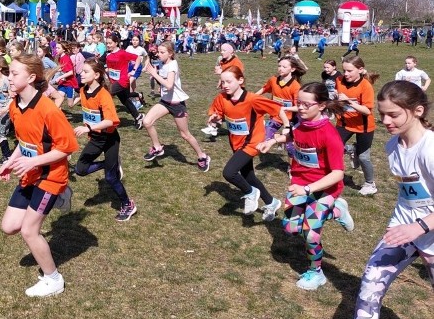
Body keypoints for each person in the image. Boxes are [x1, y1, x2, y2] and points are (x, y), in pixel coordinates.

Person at [316, 81, 434, 319]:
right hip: (404, 230)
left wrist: (419, 226)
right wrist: (404, 225)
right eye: (382, 114)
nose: (385, 121)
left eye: (393, 114)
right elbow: (409, 193)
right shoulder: (392, 146)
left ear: (417, 111)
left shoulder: (430, 150)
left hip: (426, 232)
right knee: (370, 283)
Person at [0, 54, 79, 297]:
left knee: (29, 231)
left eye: (14, 74)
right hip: (30, 174)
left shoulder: (48, 110)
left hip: (51, 176)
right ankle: (62, 196)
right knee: (9, 226)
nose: (8, 78)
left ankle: (53, 279)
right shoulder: (15, 106)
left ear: (31, 77)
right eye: (9, 73)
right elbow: (24, 142)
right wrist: (10, 162)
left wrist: (32, 161)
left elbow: (67, 147)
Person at [267, 82, 354, 290]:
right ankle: (337, 211)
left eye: (307, 105)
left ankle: (317, 272)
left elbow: (338, 173)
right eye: (299, 103)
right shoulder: (299, 121)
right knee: (290, 228)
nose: (301, 108)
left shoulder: (330, 135)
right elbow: (293, 135)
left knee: (311, 233)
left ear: (322, 105)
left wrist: (308, 189)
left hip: (325, 188)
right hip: (299, 183)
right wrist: (272, 141)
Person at [207, 66, 289, 219]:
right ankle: (271, 203)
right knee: (248, 176)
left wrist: (287, 126)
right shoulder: (222, 97)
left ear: (240, 81)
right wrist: (215, 118)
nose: (225, 85)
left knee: (229, 172)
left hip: (253, 142)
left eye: (229, 81)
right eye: (222, 82)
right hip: (236, 143)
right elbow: (216, 113)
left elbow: (278, 110)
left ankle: (251, 193)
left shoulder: (252, 99)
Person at [73, 59, 136, 221]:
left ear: (96, 75)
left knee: (110, 177)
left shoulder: (104, 95)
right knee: (80, 169)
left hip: (109, 139)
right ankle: (109, 164)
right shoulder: (83, 90)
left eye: (86, 71)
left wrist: (88, 127)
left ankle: (128, 205)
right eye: (82, 71)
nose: (81, 74)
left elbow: (111, 120)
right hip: (95, 139)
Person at [141, 41, 211, 171]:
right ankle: (157, 148)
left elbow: (169, 85)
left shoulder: (173, 65)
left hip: (177, 104)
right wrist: (150, 69)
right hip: (165, 102)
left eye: (162, 52)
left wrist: (154, 73)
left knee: (185, 135)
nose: (159, 54)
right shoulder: (162, 63)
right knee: (147, 121)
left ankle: (202, 156)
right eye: (159, 52)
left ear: (170, 53)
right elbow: (159, 77)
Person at [335, 57, 378, 195]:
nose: (345, 74)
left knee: (363, 157)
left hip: (363, 126)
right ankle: (332, 177)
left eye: (349, 71)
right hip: (344, 123)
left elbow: (367, 110)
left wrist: (349, 101)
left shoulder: (366, 86)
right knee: (332, 147)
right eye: (344, 70)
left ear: (360, 70)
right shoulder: (339, 80)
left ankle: (370, 184)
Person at [103, 33, 144, 129]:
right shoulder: (108, 54)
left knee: (106, 95)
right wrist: (107, 73)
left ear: (116, 43)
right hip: (114, 81)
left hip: (123, 80)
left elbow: (138, 58)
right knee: (125, 100)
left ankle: (108, 120)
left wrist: (133, 70)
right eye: (107, 43)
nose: (108, 45)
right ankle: (139, 117)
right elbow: (110, 69)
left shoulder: (122, 53)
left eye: (110, 43)